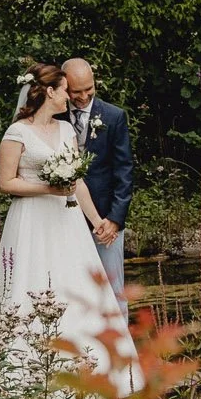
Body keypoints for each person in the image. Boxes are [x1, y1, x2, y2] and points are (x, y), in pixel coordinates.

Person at [0, 62, 139, 394]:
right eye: (65, 90)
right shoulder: (17, 133)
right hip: (31, 220)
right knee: (29, 287)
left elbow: (78, 183)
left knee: (79, 289)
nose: (71, 98)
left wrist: (99, 220)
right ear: (51, 92)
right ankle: (24, 377)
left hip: (68, 220)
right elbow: (6, 182)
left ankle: (95, 370)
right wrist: (48, 189)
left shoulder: (66, 131)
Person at [60, 57, 132, 296]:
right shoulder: (53, 117)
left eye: (88, 89)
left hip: (104, 219)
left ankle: (121, 334)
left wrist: (114, 219)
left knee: (112, 290)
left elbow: (124, 171)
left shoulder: (114, 116)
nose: (83, 97)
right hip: (62, 216)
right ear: (63, 87)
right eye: (76, 92)